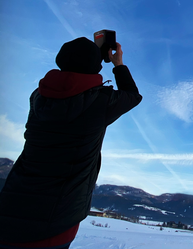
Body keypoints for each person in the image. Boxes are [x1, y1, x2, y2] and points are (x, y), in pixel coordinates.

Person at [0, 37, 142, 248]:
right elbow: (132, 95)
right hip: (55, 220)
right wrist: (118, 63)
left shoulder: (38, 97)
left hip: (9, 210)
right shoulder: (100, 102)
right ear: (95, 66)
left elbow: (70, 80)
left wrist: (85, 58)